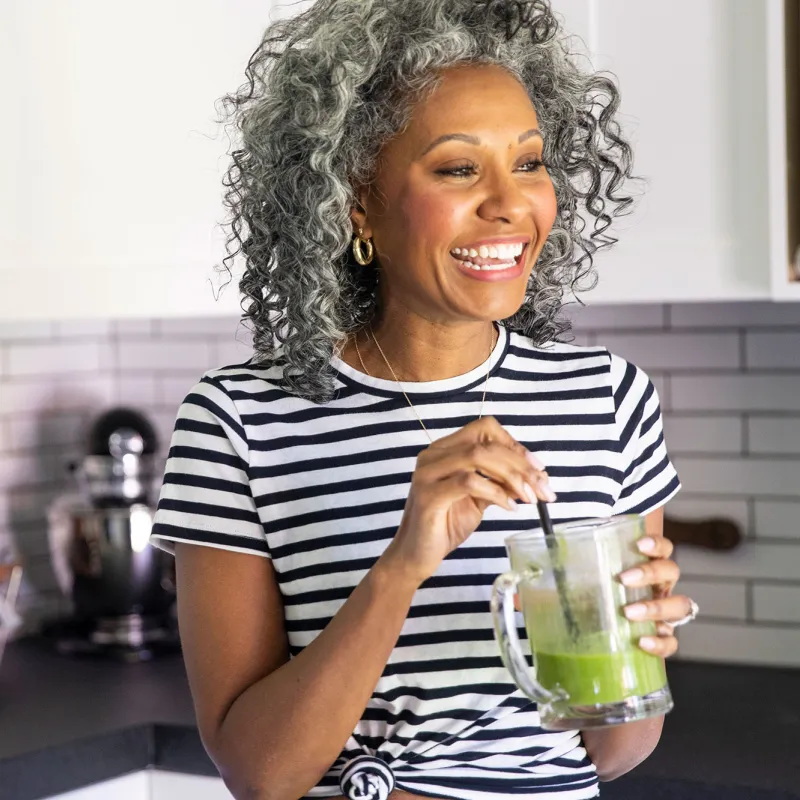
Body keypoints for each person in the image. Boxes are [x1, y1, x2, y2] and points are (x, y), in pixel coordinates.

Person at [150, 1, 697, 798]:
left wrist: (632, 643)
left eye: (531, 162)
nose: (510, 203)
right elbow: (260, 774)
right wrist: (403, 565)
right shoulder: (239, 422)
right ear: (355, 202)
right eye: (457, 168)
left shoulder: (608, 399)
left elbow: (614, 750)